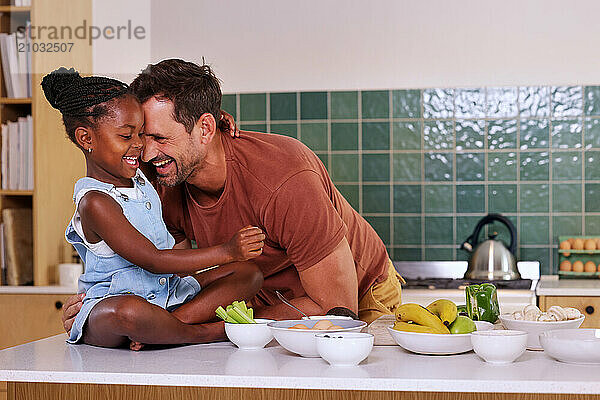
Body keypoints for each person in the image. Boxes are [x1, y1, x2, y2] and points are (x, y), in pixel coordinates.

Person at [62, 59, 404, 339]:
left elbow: (335, 310)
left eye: (158, 138)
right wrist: (99, 315)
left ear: (206, 129)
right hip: (255, 298)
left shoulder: (285, 179)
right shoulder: (158, 178)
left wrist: (203, 327)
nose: (145, 152)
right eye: (137, 135)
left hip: (354, 297)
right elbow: (164, 269)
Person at [43, 67, 265, 350]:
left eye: (142, 134)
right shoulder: (95, 202)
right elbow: (152, 259)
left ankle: (163, 328)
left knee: (248, 274)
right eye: (127, 136)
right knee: (127, 312)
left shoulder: (136, 174)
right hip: (116, 303)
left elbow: (180, 138)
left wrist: (208, 121)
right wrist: (227, 251)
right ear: (86, 139)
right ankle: (205, 333)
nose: (140, 146)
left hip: (168, 294)